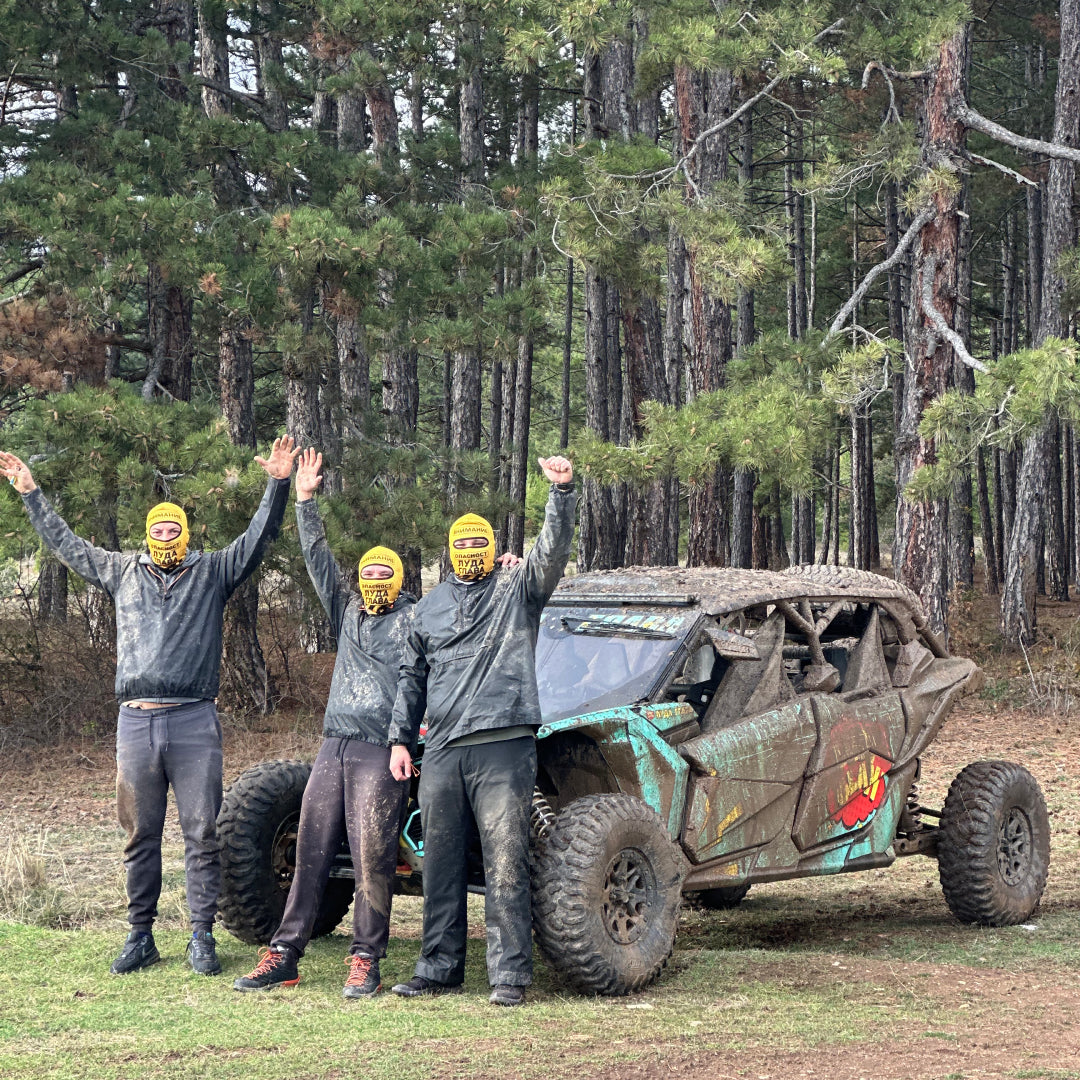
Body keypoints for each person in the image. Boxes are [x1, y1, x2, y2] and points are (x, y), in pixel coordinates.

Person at [0, 438, 299, 976]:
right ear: (147, 535)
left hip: (193, 720)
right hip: (135, 721)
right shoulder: (122, 571)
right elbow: (68, 547)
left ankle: (201, 935)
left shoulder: (212, 572)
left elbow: (257, 540)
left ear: (186, 534)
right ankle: (140, 936)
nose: (164, 538)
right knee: (140, 835)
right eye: (157, 531)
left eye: (172, 530)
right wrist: (31, 494)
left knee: (202, 833)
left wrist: (277, 485)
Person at [387, 455, 577, 1007]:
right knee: (439, 865)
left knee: (505, 860)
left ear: (494, 548)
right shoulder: (429, 608)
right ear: (449, 552)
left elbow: (551, 552)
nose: (471, 551)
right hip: (443, 750)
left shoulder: (518, 588)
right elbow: (412, 677)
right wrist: (400, 740)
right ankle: (438, 968)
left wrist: (560, 494)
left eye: (480, 543)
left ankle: (509, 975)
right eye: (462, 544)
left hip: (503, 743)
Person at [231, 448, 415, 998]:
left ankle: (366, 959)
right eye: (368, 573)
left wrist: (504, 568)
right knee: (310, 851)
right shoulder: (348, 612)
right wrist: (305, 499)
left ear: (399, 579)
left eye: (384, 573)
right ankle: (284, 954)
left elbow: (433, 655)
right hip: (333, 746)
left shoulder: (415, 619)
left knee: (373, 857)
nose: (375, 579)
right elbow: (316, 558)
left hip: (380, 749)